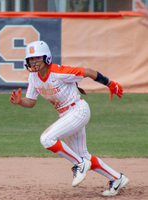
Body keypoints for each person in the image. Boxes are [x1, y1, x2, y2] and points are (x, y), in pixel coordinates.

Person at [9, 41, 129, 197]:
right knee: (83, 155)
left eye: (37, 58)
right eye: (30, 59)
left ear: (46, 58)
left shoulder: (59, 71)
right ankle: (117, 178)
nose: (33, 62)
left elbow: (89, 72)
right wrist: (20, 102)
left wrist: (110, 83)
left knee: (47, 139)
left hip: (78, 110)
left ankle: (79, 164)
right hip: (66, 115)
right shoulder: (33, 77)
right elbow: (30, 102)